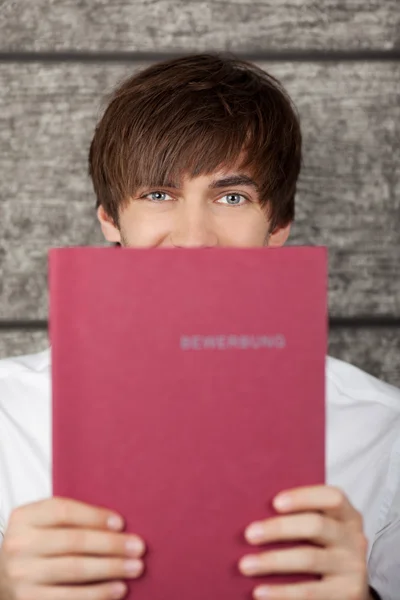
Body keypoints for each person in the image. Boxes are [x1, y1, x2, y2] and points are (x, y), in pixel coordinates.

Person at [0, 53, 399, 600]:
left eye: (231, 197)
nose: (194, 238)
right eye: (159, 195)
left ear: (278, 224)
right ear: (110, 218)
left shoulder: (386, 432)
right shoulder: (5, 413)